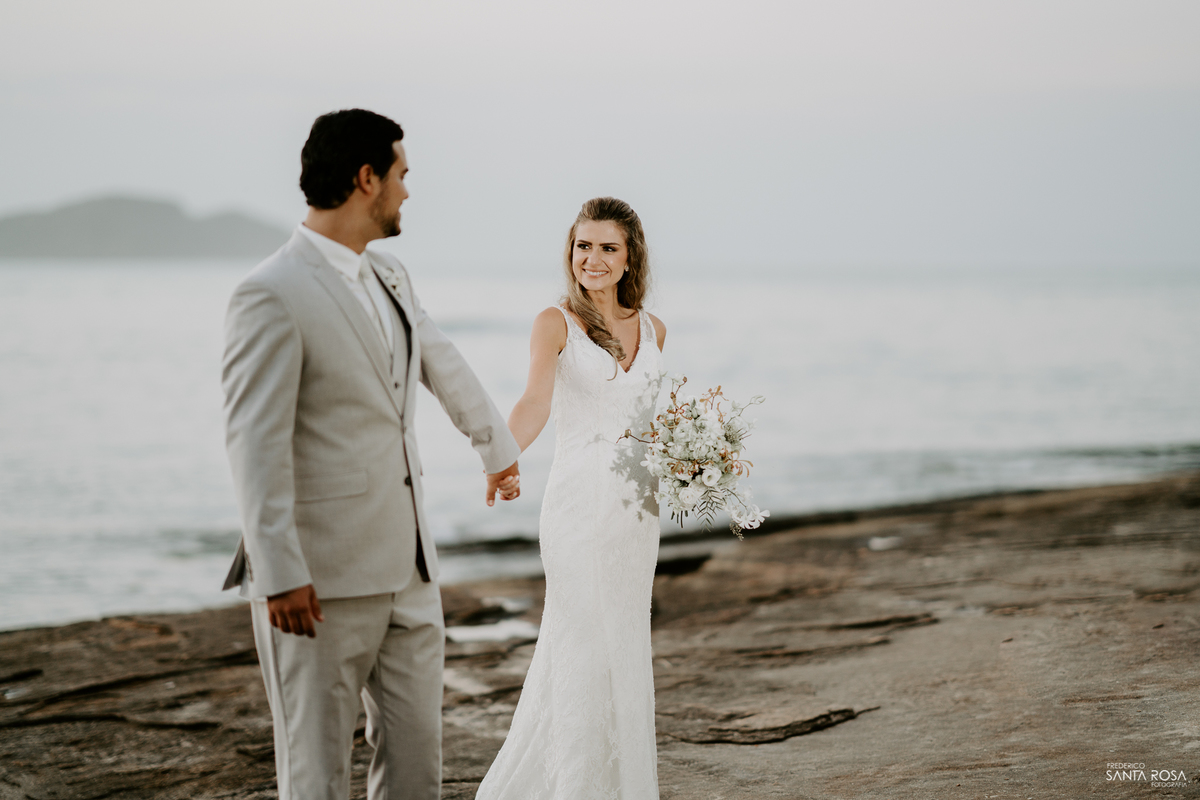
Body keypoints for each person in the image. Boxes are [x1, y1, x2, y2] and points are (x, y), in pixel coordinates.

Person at [220, 108, 521, 800]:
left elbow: (441, 361)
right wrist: (278, 570)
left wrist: (495, 449)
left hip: (409, 569)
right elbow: (253, 442)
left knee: (417, 769)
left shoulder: (390, 276)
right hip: (317, 584)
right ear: (366, 179)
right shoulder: (269, 292)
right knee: (317, 774)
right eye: (401, 176)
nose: (407, 192)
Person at [476, 197, 667, 799]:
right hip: (578, 509)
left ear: (630, 254)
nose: (593, 258)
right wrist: (502, 454)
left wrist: (692, 461)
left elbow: (648, 422)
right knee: (581, 648)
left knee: (625, 648)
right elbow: (536, 400)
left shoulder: (655, 328)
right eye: (583, 246)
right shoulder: (555, 322)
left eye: (607, 247)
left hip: (637, 515)